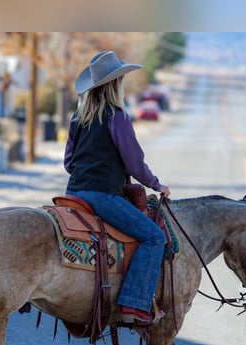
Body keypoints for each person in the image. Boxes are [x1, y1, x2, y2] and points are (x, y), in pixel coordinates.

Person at [64, 50, 171, 326]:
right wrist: (157, 185)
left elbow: (68, 162)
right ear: (115, 84)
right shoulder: (117, 117)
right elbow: (135, 162)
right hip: (103, 196)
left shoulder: (78, 118)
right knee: (154, 237)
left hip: (72, 195)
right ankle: (134, 305)